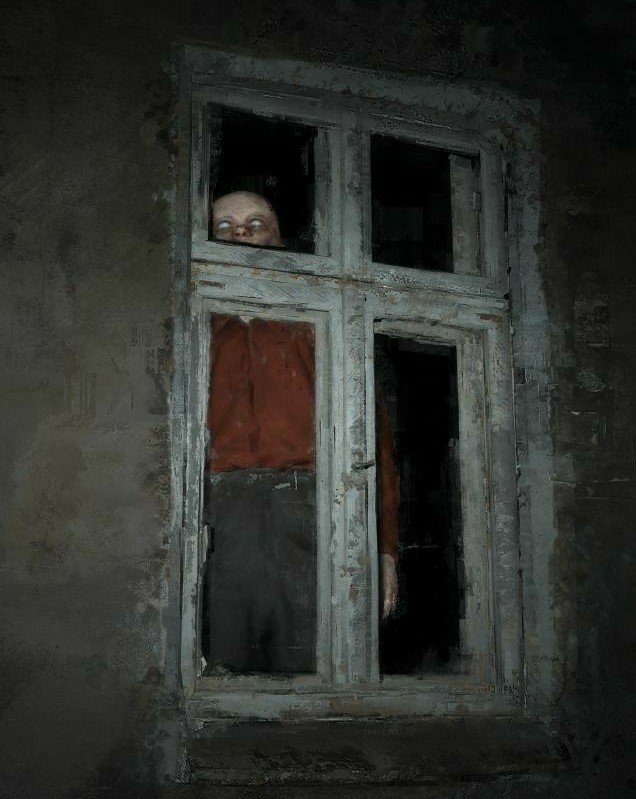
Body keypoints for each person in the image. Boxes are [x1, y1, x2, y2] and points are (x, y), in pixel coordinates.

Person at [204, 191, 399, 674]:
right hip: (218, 516)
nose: (240, 232)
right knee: (223, 668)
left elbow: (369, 440)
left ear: (279, 237)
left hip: (315, 510)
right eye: (224, 225)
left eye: (255, 222)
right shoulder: (198, 328)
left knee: (314, 665)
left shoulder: (318, 324)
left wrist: (384, 548)